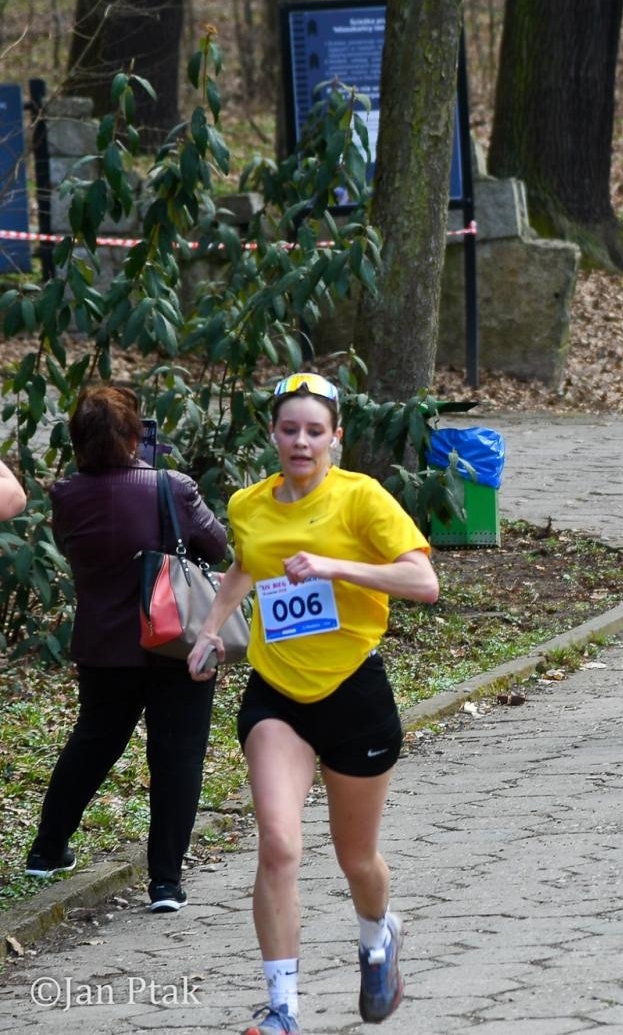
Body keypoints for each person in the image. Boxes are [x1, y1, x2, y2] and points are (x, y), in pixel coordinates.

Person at [187, 372, 439, 1035]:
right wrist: (212, 628)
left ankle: (378, 936)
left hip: (354, 692)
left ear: (335, 439)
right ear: (273, 435)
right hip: (278, 696)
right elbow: (248, 563)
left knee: (356, 858)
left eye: (314, 431)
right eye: (289, 429)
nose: (301, 441)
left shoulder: (362, 498)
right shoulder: (249, 504)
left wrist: (336, 567)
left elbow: (423, 580)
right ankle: (282, 1011)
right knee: (277, 843)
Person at [25, 385, 228, 913]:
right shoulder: (173, 487)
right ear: (135, 434)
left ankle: (46, 851)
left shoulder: (66, 495)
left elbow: (77, 548)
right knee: (177, 757)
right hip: (175, 641)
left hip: (104, 646)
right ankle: (165, 883)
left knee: (91, 744)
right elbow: (218, 547)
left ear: (76, 441)